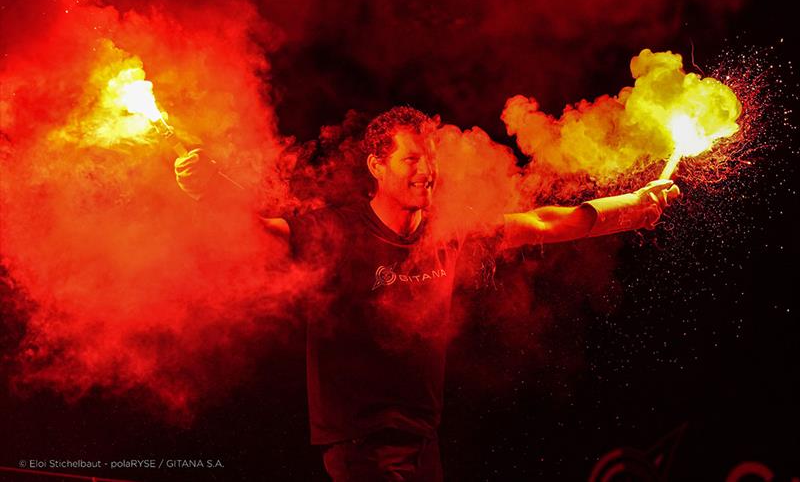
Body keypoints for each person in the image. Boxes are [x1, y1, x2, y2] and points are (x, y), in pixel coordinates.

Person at [174, 106, 679, 482]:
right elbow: (264, 233)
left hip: (422, 437)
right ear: (377, 166)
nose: (426, 170)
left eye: (429, 159)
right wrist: (211, 194)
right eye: (411, 158)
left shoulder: (448, 231)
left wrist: (631, 207)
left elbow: (546, 221)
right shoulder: (336, 230)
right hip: (360, 443)